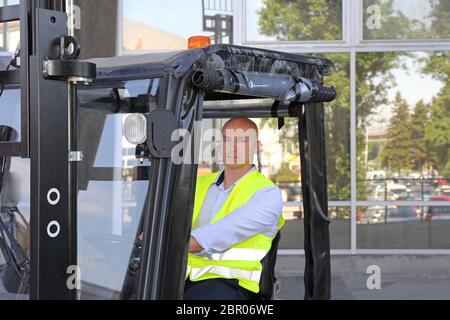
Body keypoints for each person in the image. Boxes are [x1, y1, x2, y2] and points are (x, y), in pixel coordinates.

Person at [184, 117, 284, 300]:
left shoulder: (267, 194)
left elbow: (222, 233)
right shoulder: (198, 184)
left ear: (256, 146)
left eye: (243, 141)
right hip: (185, 276)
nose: (233, 147)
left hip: (233, 284)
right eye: (227, 140)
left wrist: (162, 240)